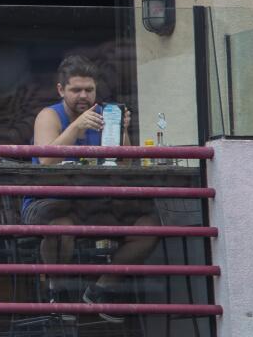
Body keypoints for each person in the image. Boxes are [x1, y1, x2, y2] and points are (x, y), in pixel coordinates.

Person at [25, 55, 158, 321]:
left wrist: (121, 130)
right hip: (49, 201)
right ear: (61, 90)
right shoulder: (50, 115)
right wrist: (76, 126)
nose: (83, 96)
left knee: (149, 227)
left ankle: (100, 289)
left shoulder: (106, 113)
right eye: (76, 90)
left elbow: (125, 164)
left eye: (89, 89)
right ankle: (58, 290)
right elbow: (46, 159)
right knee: (61, 227)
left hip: (93, 201)